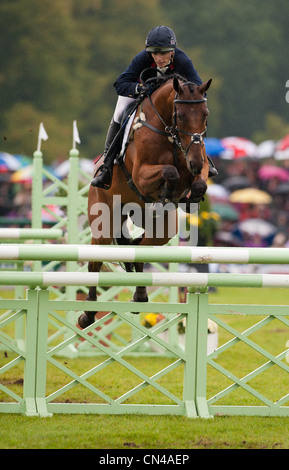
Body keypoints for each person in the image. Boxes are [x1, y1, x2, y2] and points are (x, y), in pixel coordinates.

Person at [91, 25, 217, 189]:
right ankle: (107, 165)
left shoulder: (183, 60)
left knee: (193, 116)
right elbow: (120, 84)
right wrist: (138, 89)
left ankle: (203, 158)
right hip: (142, 96)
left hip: (170, 102)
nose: (158, 57)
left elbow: (199, 88)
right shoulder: (142, 58)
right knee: (119, 112)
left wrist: (192, 101)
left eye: (163, 52)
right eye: (155, 53)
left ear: (172, 51)